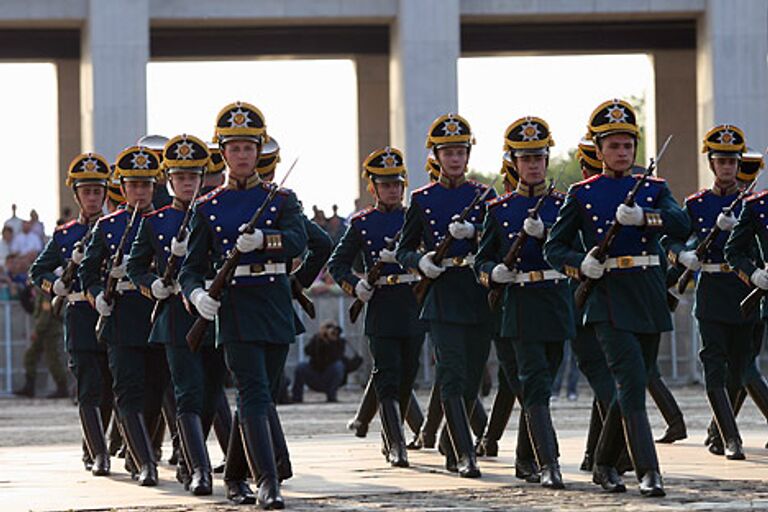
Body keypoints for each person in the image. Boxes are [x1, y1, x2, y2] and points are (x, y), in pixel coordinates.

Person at [545, 98, 690, 497]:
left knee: (634, 382)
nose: (622, 152)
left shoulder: (655, 189)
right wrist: (581, 264)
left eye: (628, 145)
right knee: (628, 382)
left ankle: (605, 462)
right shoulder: (581, 193)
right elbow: (554, 249)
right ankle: (648, 470)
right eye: (614, 146)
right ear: (599, 149)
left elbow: (682, 222)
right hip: (607, 298)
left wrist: (646, 218)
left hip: (647, 295)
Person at [179, 101, 307, 509]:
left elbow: (301, 241)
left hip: (272, 303)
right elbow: (190, 268)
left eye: (249, 148)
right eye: (234, 148)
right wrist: (197, 295)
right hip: (233, 308)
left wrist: (266, 240)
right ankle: (268, 482)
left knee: (263, 393)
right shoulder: (207, 207)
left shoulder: (282, 199)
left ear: (258, 151)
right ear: (224, 153)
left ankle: (234, 476)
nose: (242, 155)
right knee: (252, 390)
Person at [126, 134, 227, 496]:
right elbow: (136, 267)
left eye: (193, 176)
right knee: (187, 392)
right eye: (180, 177)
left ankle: (187, 455)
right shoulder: (154, 222)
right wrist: (152, 286)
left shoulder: (217, 212)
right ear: (168, 181)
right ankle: (200, 469)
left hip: (213, 313)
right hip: (174, 317)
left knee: (211, 392)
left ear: (203, 178)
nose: (187, 183)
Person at [475, 116, 572, 488]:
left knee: (544, 380)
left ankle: (524, 458)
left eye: (539, 158)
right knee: (533, 383)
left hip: (555, 301)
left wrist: (547, 234)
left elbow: (576, 250)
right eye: (525, 158)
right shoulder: (498, 211)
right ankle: (549, 463)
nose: (533, 165)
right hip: (519, 303)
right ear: (513, 163)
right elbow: (481, 262)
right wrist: (492, 272)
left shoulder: (565, 205)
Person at [396, 113, 496, 478]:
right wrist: (421, 262)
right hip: (442, 294)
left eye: (460, 152)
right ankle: (465, 453)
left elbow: (499, 240)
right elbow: (403, 249)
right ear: (436, 156)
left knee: (473, 376)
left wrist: (476, 230)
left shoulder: (485, 196)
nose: (455, 159)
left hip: (477, 291)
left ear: (468, 156)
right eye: (448, 152)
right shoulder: (422, 199)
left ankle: (452, 443)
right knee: (452, 372)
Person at [328, 146, 426, 468]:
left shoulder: (417, 216)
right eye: (385, 184)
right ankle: (396, 444)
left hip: (412, 304)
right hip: (382, 305)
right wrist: (356, 286)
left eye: (397, 184)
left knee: (407, 377)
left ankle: (389, 434)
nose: (393, 190)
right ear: (373, 188)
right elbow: (337, 264)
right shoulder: (361, 224)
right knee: (386, 376)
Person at [79, 145, 167, 487]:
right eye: (134, 185)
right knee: (127, 392)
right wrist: (97, 296)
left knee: (155, 393)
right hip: (121, 318)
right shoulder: (107, 227)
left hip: (158, 316)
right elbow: (87, 273)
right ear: (123, 188)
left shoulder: (166, 222)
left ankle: (137, 450)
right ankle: (145, 462)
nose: (140, 192)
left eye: (146, 185)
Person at [663, 124, 753, 460]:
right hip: (713, 290)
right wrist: (683, 255)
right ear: (712, 164)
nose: (727, 167)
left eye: (732, 162)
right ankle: (732, 438)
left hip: (744, 289)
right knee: (713, 365)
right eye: (721, 162)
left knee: (741, 368)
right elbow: (671, 238)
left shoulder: (752, 205)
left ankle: (718, 430)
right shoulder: (696, 205)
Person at [29, 152, 113, 476]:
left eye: (97, 191)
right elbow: (38, 271)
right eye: (86, 192)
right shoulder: (64, 236)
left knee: (108, 387)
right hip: (79, 314)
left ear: (105, 193)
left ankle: (93, 445)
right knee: (89, 387)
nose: (92, 197)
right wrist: (56, 286)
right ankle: (99, 454)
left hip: (110, 314)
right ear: (76, 195)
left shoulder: (116, 227)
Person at [13, 286, 68, 399]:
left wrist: (37, 331)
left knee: (52, 359)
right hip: (43, 331)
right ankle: (29, 387)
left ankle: (62, 388)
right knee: (30, 356)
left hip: (48, 331)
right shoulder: (40, 292)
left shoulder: (45, 293)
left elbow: (45, 315)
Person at [292, 320, 347, 403]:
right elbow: (307, 351)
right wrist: (319, 339)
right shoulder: (317, 339)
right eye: (328, 327)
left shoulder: (339, 341)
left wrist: (331, 342)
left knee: (339, 366)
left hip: (329, 375)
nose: (330, 331)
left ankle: (332, 396)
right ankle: (297, 397)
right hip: (315, 374)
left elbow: (337, 356)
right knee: (301, 367)